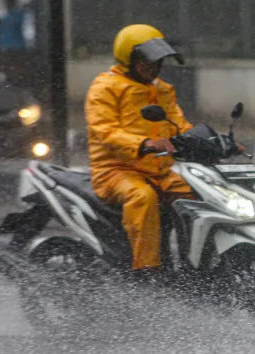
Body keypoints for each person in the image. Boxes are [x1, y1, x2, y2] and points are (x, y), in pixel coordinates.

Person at [85, 24, 198, 274]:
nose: (153, 67)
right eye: (146, 61)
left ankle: (195, 266)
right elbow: (105, 131)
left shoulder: (163, 90)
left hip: (161, 172)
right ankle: (147, 270)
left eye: (158, 62)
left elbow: (179, 125)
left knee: (198, 194)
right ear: (128, 60)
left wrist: (210, 140)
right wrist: (143, 144)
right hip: (116, 172)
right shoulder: (105, 87)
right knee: (142, 197)